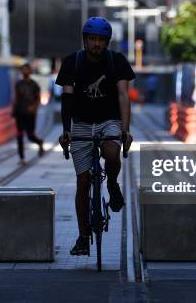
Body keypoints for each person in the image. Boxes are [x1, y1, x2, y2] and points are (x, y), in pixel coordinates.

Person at [55, 16, 135, 256]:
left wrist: (125, 129)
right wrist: (66, 129)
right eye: (92, 39)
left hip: (108, 121)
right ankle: (82, 236)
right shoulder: (71, 62)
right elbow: (67, 98)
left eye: (101, 40)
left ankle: (112, 184)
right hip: (80, 123)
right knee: (82, 181)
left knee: (112, 152)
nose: (96, 44)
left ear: (107, 42)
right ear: (85, 40)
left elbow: (123, 94)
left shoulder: (116, 61)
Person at [12, 63, 44, 165]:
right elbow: (16, 98)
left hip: (30, 113)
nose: (24, 71)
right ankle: (21, 158)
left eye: (26, 70)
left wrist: (34, 108)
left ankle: (39, 143)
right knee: (19, 135)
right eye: (23, 70)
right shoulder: (18, 84)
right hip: (20, 112)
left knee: (30, 136)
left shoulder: (34, 85)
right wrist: (14, 110)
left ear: (30, 71)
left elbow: (38, 99)